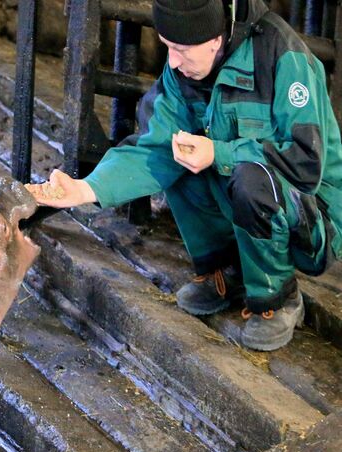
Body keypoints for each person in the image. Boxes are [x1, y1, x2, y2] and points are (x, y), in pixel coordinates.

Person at [26, 0, 342, 351]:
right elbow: (154, 149)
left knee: (250, 177)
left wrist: (219, 153)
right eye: (167, 47)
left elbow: (305, 163)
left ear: (215, 38)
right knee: (179, 152)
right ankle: (227, 273)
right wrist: (85, 188)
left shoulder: (286, 59)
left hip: (314, 219)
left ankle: (277, 297)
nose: (173, 61)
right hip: (248, 199)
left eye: (180, 49)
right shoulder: (184, 70)